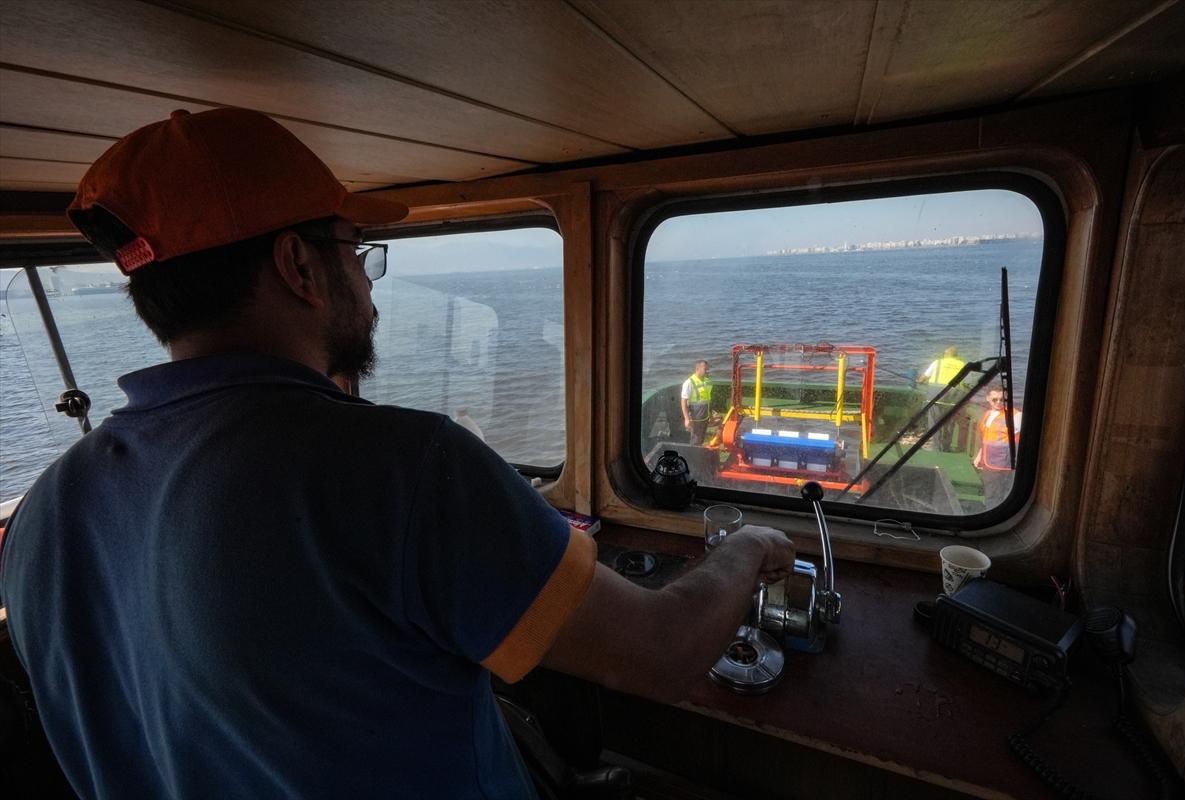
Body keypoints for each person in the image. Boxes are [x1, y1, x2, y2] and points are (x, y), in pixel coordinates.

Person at [0, 108, 796, 799]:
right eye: (358, 250)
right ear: (300, 267)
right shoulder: (402, 467)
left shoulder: (45, 513)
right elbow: (660, 654)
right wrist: (750, 547)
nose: (371, 288)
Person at [973, 387, 1023, 507]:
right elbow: (986, 439)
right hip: (988, 462)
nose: (999, 403)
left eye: (1002, 400)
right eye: (995, 400)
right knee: (989, 491)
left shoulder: (1015, 416)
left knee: (996, 496)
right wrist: (979, 457)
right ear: (988, 398)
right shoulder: (988, 414)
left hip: (1002, 465)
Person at [916, 345, 967, 450]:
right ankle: (946, 447)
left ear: (945, 354)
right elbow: (967, 383)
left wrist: (919, 381)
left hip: (936, 397)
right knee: (949, 422)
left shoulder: (937, 363)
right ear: (956, 356)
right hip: (954, 398)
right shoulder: (963, 365)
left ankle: (936, 447)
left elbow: (923, 378)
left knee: (934, 421)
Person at [680, 359, 714, 445]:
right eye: (705, 369)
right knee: (696, 438)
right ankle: (693, 455)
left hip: (706, 415)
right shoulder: (689, 383)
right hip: (696, 417)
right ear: (697, 369)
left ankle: (699, 450)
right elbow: (683, 402)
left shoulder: (707, 381)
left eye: (707, 369)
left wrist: (711, 415)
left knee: (702, 436)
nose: (707, 371)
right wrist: (687, 419)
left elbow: (708, 399)